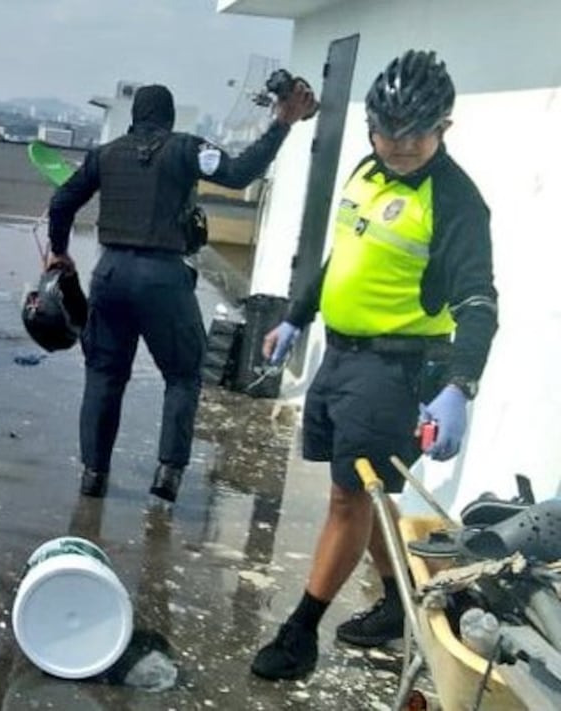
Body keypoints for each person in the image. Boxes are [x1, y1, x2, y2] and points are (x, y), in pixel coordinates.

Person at [250, 50, 498, 680]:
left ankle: (300, 632)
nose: (400, 145)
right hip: (339, 357)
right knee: (372, 496)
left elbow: (478, 302)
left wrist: (459, 387)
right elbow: (343, 257)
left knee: (346, 499)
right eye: (388, 130)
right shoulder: (367, 166)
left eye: (416, 132)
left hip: (395, 371)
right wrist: (297, 317)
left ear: (445, 126)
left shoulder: (457, 201)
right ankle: (395, 603)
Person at [46, 81, 318, 501]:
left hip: (111, 275)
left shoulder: (105, 155)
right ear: (170, 119)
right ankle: (168, 474)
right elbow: (241, 172)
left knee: (103, 375)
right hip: (163, 279)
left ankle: (94, 475)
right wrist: (282, 124)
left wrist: (59, 254)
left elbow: (62, 203)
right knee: (182, 376)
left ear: (135, 116)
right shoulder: (188, 149)